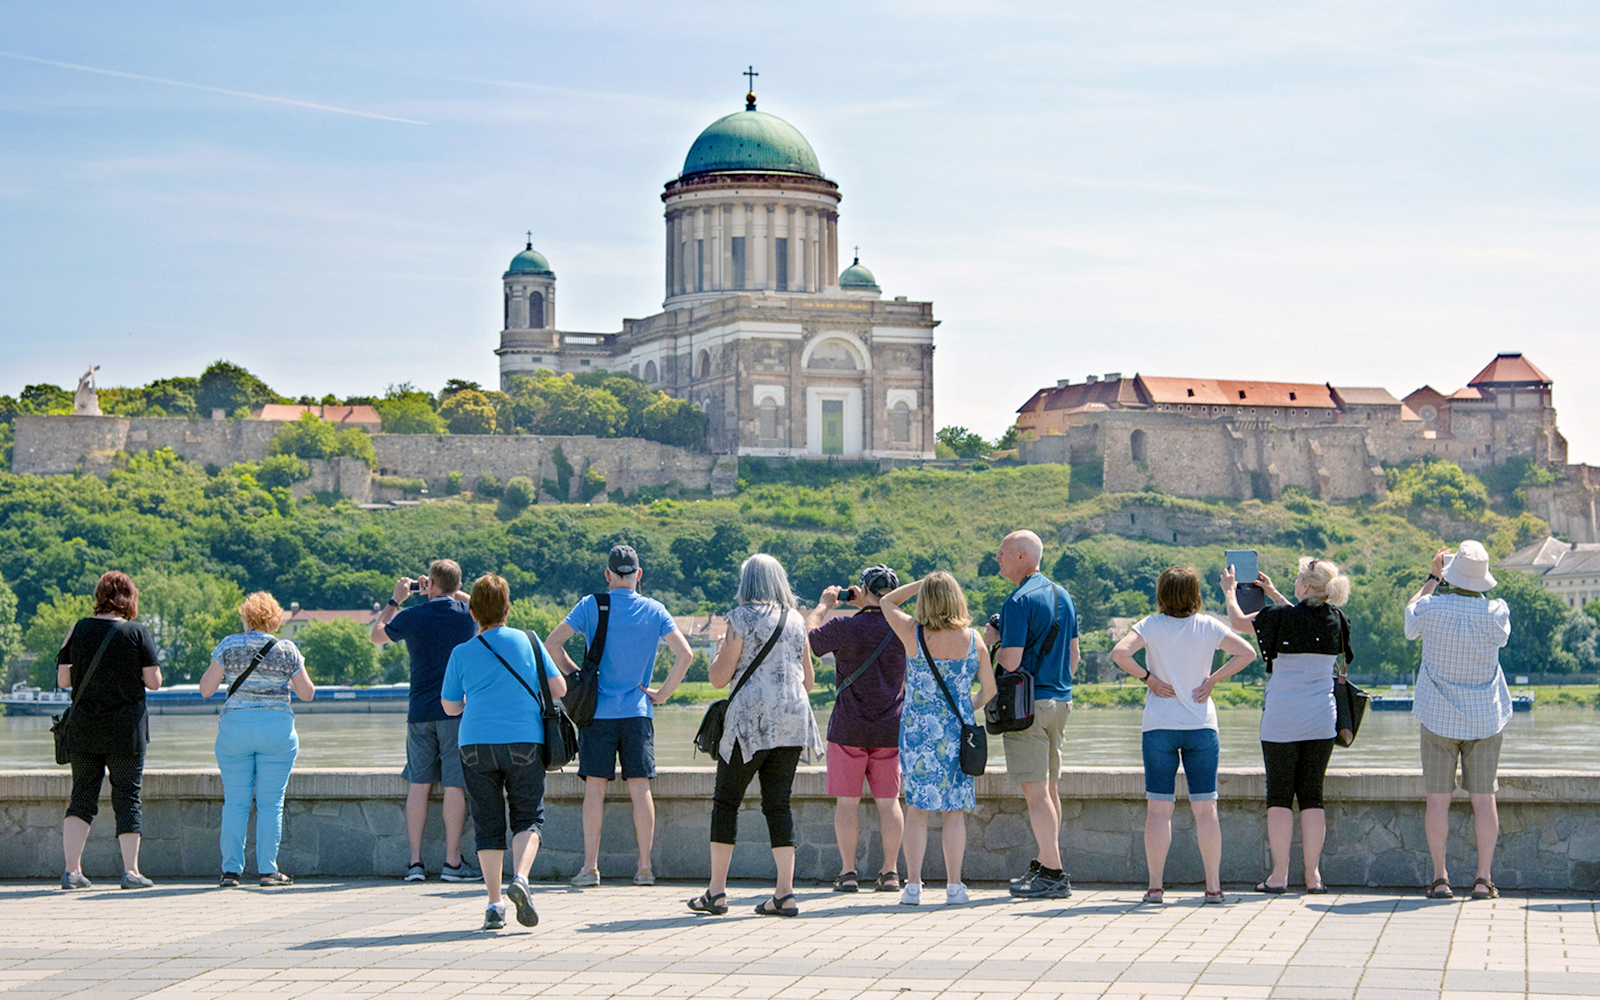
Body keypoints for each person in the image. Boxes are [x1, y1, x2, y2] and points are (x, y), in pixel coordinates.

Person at [545, 544, 694, 887]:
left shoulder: (590, 605)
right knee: (640, 787)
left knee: (594, 790)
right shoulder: (655, 610)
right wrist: (663, 693)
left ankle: (590, 868)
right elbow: (684, 654)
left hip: (597, 712)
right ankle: (644, 868)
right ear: (639, 575)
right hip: (638, 712)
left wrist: (577, 676)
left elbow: (552, 645)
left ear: (607, 575)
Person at [687, 554, 823, 919]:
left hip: (750, 722)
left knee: (726, 802)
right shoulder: (796, 621)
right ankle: (785, 893)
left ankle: (716, 893)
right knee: (778, 804)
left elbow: (718, 678)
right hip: (793, 722)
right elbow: (809, 682)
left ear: (747, 583)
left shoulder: (739, 619)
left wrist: (720, 650)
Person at [1114, 566, 1256, 904]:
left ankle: (1154, 887)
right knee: (1206, 810)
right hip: (1201, 726)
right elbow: (1247, 653)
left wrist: (1148, 678)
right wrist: (1212, 680)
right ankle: (1213, 887)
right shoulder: (1207, 625)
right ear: (1195, 595)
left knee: (1158, 811)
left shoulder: (1150, 625)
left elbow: (1120, 654)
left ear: (1161, 594)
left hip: (1160, 725)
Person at [441, 574, 567, 930]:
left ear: (472, 612)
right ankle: (522, 878)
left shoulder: (461, 652)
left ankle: (494, 906)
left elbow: (450, 707)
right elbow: (558, 687)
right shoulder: (529, 641)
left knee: (488, 823)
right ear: (508, 609)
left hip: (475, 743)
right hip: (525, 741)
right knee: (528, 816)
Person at [1222, 557, 1353, 894]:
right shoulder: (1336, 619)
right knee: (1312, 796)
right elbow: (1303, 620)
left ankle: (1279, 876)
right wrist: (1276, 594)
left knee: (1279, 796)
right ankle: (1313, 876)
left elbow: (1239, 623)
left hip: (1281, 718)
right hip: (1322, 720)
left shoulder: (1280, 617)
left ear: (1305, 587)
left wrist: (1229, 592)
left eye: (1298, 578)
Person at [879, 573, 997, 905]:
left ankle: (913, 886)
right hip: (958, 736)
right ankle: (955, 887)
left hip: (917, 735)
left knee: (917, 809)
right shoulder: (974, 640)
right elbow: (990, 691)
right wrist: (965, 708)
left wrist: (921, 584)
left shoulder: (913, 634)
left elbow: (886, 601)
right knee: (953, 811)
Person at [1405, 541, 1513, 901]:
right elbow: (1498, 631)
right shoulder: (1497, 613)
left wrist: (1433, 578)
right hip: (1485, 719)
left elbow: (1409, 619)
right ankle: (1483, 879)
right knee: (1485, 801)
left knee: (1438, 801)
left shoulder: (1431, 608)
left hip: (1438, 717)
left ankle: (1440, 878)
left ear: (1450, 572)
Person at [371, 559, 480, 883]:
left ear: (429, 585)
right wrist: (449, 592)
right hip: (455, 712)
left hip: (419, 712)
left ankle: (415, 864)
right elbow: (485, 607)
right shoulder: (465, 616)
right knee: (454, 785)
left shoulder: (412, 616)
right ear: (458, 586)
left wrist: (396, 600)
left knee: (418, 785)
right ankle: (452, 863)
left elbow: (376, 636)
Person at [983, 529, 1079, 899]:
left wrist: (994, 639)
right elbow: (1074, 657)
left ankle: (1054, 873)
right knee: (1050, 789)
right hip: (1060, 701)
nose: (998, 559)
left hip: (1029, 706)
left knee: (1035, 793)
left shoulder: (1018, 601)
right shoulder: (1063, 595)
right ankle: (1044, 861)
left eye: (1002, 552)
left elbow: (1011, 660)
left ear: (1021, 555)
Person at [200, 591, 317, 887]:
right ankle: (267, 871)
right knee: (270, 804)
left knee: (236, 804)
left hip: (234, 729)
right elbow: (307, 693)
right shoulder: (286, 648)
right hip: (277, 730)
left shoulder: (228, 645)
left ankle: (230, 872)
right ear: (274, 619)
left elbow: (205, 689)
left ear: (245, 617)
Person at [56, 571, 163, 890]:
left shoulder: (78, 629)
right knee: (127, 796)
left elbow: (64, 681)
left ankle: (71, 871)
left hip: (85, 730)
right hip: (125, 731)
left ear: (99, 596)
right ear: (130, 599)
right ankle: (131, 871)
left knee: (82, 795)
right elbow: (154, 682)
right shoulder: (137, 632)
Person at [806, 565, 908, 894]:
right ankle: (890, 872)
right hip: (889, 729)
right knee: (889, 802)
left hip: (848, 729)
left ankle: (848, 873)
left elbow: (809, 640)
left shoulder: (844, 627)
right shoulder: (903, 630)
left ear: (861, 591)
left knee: (847, 803)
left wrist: (825, 605)